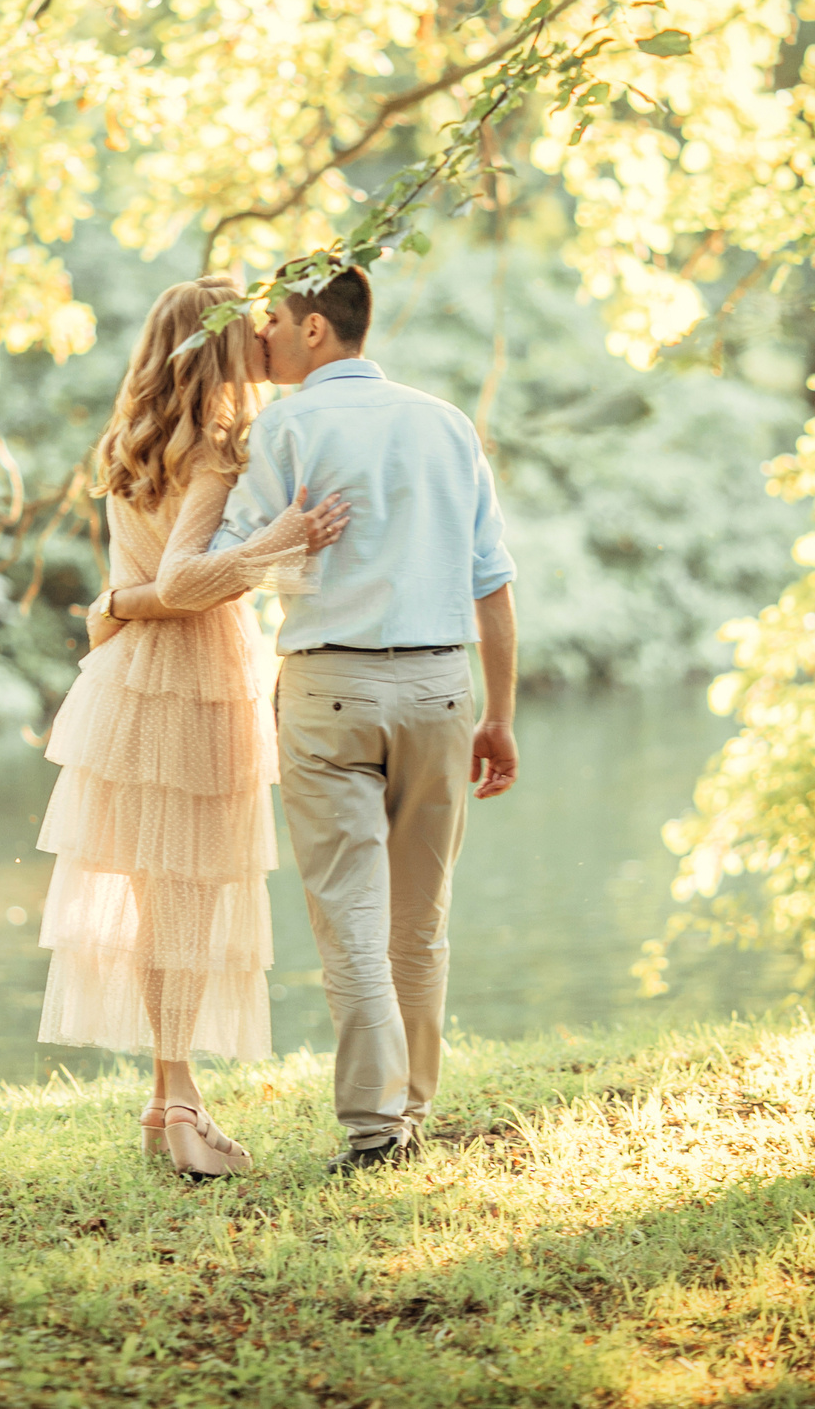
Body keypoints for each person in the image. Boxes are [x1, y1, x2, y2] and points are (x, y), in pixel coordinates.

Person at [33, 276, 350, 1180]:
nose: (263, 342)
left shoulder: (129, 442)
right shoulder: (214, 451)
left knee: (159, 900)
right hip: (192, 681)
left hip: (131, 680)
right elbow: (182, 582)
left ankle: (169, 1097)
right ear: (215, 345)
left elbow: (138, 588)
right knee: (189, 902)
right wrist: (281, 539)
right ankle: (180, 1105)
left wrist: (112, 602)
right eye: (250, 331)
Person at [210, 264, 519, 1175]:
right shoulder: (447, 424)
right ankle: (410, 1109)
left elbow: (233, 561)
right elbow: (492, 585)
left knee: (350, 918)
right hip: (440, 691)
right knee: (419, 923)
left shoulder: (289, 424)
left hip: (329, 691)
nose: (258, 335)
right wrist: (499, 715)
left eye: (271, 320)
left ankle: (377, 1131)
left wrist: (269, 540)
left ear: (316, 331)